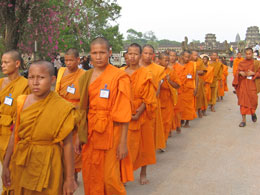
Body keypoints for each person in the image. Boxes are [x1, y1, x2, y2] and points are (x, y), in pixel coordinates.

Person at [1, 61, 78, 194]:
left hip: (49, 162)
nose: (35, 82)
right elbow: (15, 135)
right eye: (31, 77)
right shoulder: (21, 101)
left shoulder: (63, 107)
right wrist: (6, 165)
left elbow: (68, 145)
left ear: (52, 79)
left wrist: (70, 179)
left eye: (41, 78)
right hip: (22, 161)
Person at [77, 37, 133, 195]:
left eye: (102, 52)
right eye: (94, 53)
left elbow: (124, 113)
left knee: (110, 178)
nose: (98, 56)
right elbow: (82, 110)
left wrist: (123, 143)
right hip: (91, 132)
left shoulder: (119, 77)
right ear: (90, 54)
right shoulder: (86, 77)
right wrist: (78, 136)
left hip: (112, 133)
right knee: (90, 173)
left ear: (110, 53)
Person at [121, 43, 157, 185]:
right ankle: (123, 175)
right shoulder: (120, 72)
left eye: (136, 54)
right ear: (126, 55)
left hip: (141, 113)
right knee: (123, 146)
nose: (132, 56)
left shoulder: (146, 73)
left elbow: (148, 97)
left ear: (140, 56)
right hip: (123, 113)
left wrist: (137, 113)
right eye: (130, 53)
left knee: (144, 145)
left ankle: (143, 173)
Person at [55, 48, 85, 181]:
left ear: (78, 60)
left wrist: (76, 107)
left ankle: (74, 174)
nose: (68, 63)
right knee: (61, 143)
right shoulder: (61, 71)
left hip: (77, 111)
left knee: (74, 146)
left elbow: (85, 97)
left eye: (71, 60)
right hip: (62, 111)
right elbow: (57, 92)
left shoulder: (84, 74)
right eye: (66, 60)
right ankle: (64, 173)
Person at [0, 50, 30, 165]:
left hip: (15, 130)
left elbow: (27, 111)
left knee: (15, 166)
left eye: (6, 62)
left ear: (17, 64)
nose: (3, 65)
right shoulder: (1, 82)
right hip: (1, 128)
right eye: (2, 63)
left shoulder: (26, 84)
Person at [140, 45, 166, 151]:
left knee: (150, 129)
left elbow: (158, 88)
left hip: (151, 103)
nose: (147, 56)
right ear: (141, 53)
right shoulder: (135, 67)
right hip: (136, 103)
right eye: (145, 53)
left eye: (150, 54)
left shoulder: (158, 69)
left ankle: (149, 150)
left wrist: (149, 102)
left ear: (153, 55)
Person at [233, 48, 260, 127]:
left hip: (252, 83)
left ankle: (253, 112)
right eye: (247, 54)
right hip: (243, 84)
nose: (248, 55)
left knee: (253, 101)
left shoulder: (256, 63)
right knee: (243, 102)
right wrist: (240, 73)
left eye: (250, 53)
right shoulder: (242, 63)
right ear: (245, 54)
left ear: (252, 54)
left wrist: (253, 73)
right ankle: (243, 120)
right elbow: (237, 72)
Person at [158, 52, 180, 140]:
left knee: (166, 121)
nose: (167, 62)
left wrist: (169, 80)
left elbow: (178, 85)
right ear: (159, 60)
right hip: (156, 99)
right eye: (165, 60)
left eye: (168, 60)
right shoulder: (155, 70)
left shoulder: (171, 71)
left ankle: (164, 140)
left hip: (167, 99)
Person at [178, 51, 197, 127]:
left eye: (189, 57)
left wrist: (196, 87)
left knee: (189, 106)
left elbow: (196, 77)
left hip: (189, 88)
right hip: (179, 89)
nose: (187, 58)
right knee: (180, 106)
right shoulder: (176, 66)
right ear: (182, 56)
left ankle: (187, 122)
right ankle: (181, 119)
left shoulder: (192, 65)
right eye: (186, 57)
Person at [169, 51, 183, 133]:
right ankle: (169, 128)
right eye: (171, 55)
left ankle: (178, 125)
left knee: (177, 110)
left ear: (176, 57)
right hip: (168, 91)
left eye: (174, 56)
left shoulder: (179, 67)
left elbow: (181, 79)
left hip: (177, 90)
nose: (172, 57)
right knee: (169, 110)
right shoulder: (165, 67)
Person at [190, 51, 207, 118]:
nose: (195, 57)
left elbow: (203, 71)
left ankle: (199, 110)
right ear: (191, 55)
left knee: (199, 97)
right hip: (190, 81)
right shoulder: (188, 61)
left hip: (199, 81)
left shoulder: (200, 61)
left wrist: (195, 72)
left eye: (197, 55)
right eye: (194, 55)